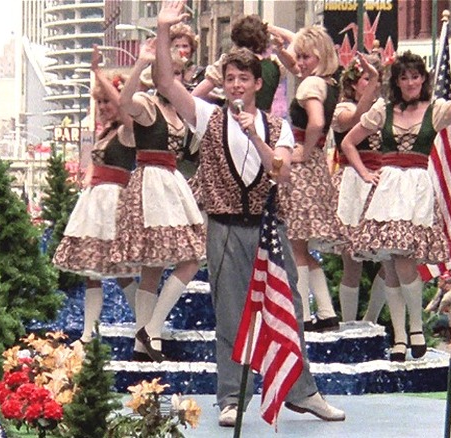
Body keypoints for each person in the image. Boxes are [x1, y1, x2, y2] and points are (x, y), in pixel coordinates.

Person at [154, 0, 345, 427]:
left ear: (258, 83)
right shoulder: (207, 116)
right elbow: (166, 83)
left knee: (290, 307)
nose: (236, 86)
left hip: (268, 227)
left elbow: (280, 173)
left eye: (243, 79)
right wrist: (164, 31)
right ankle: (230, 397)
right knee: (230, 312)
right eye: (230, 79)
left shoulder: (278, 128)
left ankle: (302, 391)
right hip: (224, 226)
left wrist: (252, 136)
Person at [340, 49, 451, 361]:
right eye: (405, 77)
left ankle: (414, 329)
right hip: (389, 186)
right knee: (391, 263)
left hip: (417, 187)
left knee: (404, 258)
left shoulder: (435, 110)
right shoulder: (384, 109)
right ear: (398, 81)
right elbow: (348, 142)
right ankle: (401, 336)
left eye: (416, 76)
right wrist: (365, 173)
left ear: (424, 79)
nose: (410, 82)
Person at [115, 37, 205, 363]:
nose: (174, 78)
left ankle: (149, 330)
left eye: (178, 73)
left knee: (184, 257)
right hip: (151, 182)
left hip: (171, 183)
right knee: (157, 265)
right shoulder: (146, 102)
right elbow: (123, 103)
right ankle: (146, 338)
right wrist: (140, 63)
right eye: (170, 72)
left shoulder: (179, 110)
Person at [52, 46, 141, 348]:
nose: (103, 106)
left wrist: (97, 73)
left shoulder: (129, 131)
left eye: (107, 101)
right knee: (92, 271)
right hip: (95, 203)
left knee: (122, 272)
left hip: (115, 203)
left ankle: (144, 325)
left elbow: (122, 105)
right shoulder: (105, 134)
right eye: (99, 101)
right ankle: (88, 333)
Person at [275, 24, 344, 332]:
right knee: (301, 246)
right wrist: (281, 38)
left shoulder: (308, 86)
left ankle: (302, 314)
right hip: (316, 167)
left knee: (295, 246)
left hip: (302, 166)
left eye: (305, 57)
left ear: (318, 56)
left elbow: (315, 121)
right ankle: (326, 311)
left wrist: (305, 146)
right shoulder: (329, 82)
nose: (298, 62)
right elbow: (298, 48)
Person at [330, 54, 387, 322]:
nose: (373, 84)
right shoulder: (342, 107)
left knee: (390, 258)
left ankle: (371, 319)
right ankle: (349, 323)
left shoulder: (387, 109)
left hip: (382, 182)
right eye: (367, 79)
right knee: (351, 261)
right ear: (353, 84)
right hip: (352, 181)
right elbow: (352, 121)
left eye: (375, 78)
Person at [192, 14, 296, 111]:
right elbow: (293, 38)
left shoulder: (228, 64)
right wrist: (268, 27)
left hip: (232, 124)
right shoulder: (275, 65)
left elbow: (195, 96)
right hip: (264, 125)